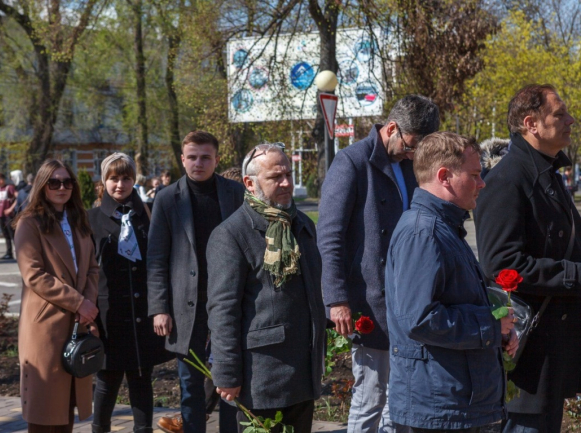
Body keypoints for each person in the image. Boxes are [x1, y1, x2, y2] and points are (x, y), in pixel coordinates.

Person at [317, 95, 440, 433]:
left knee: (401, 400)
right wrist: (336, 299)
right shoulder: (351, 162)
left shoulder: (411, 163)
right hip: (370, 301)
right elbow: (329, 237)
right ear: (391, 128)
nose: (413, 154)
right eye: (411, 145)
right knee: (370, 397)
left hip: (408, 300)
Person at [385, 132, 517, 431]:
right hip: (440, 405)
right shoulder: (423, 233)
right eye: (474, 174)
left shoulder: (443, 227)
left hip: (453, 401)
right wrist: (490, 326)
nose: (482, 183)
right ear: (444, 176)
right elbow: (419, 319)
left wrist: (498, 330)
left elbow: (454, 301)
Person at [474, 84, 581, 433]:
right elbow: (502, 265)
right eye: (559, 114)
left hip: (553, 350)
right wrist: (574, 275)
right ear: (531, 123)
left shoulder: (546, 173)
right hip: (527, 357)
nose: (571, 120)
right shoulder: (507, 180)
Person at [206, 143, 325, 433]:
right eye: (275, 177)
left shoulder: (302, 224)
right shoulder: (231, 235)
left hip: (303, 370)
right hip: (261, 377)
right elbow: (223, 311)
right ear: (250, 183)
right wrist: (226, 373)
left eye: (288, 174)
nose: (286, 183)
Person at [147, 131, 244, 433]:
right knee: (190, 387)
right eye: (192, 157)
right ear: (182, 159)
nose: (198, 163)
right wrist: (160, 308)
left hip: (229, 303)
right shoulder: (167, 199)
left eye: (205, 157)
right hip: (185, 309)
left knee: (230, 383)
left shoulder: (235, 193)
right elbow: (156, 258)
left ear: (216, 159)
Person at [88, 153, 173, 433]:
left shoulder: (148, 213)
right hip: (108, 315)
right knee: (107, 379)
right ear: (104, 181)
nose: (120, 184)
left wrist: (161, 306)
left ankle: (143, 429)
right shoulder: (91, 219)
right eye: (113, 178)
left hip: (142, 313)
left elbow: (161, 261)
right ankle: (99, 428)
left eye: (126, 178)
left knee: (141, 377)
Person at [12, 159, 99, 432]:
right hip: (46, 324)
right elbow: (34, 275)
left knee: (66, 406)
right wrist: (79, 302)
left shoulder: (78, 219)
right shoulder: (29, 223)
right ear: (42, 185)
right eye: (54, 182)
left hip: (77, 323)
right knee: (44, 409)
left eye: (67, 182)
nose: (62, 187)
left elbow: (92, 268)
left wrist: (88, 303)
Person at [0, 172, 16, 260]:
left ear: (1, 180)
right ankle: (9, 253)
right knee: (6, 235)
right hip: (1, 215)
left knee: (13, 234)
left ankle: (19, 252)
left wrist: (10, 209)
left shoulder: (9, 188)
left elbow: (18, 198)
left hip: (8, 216)